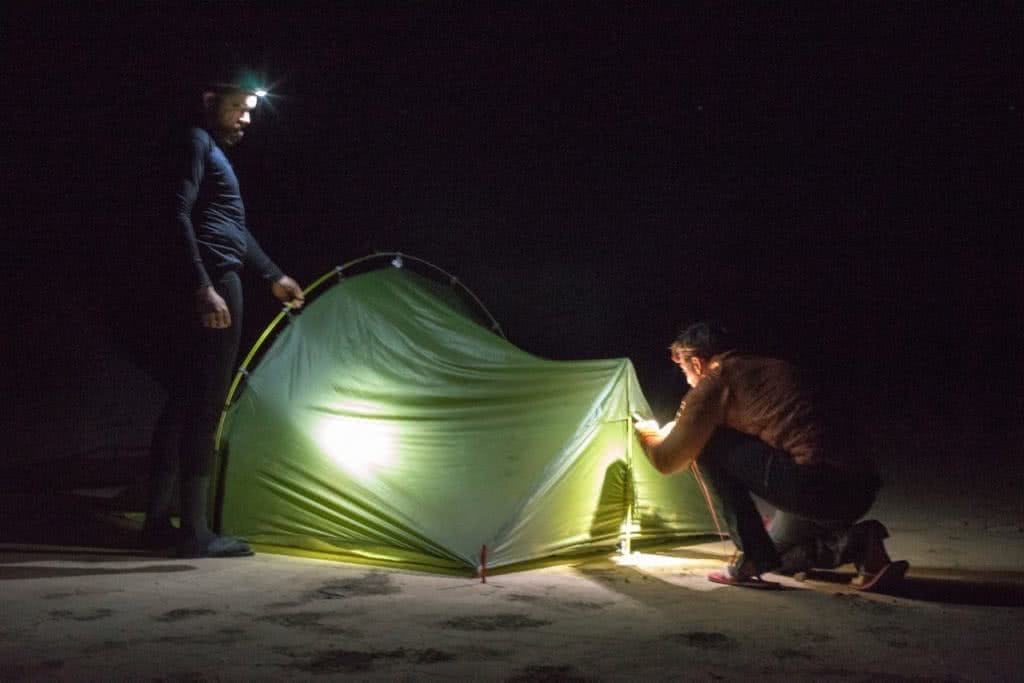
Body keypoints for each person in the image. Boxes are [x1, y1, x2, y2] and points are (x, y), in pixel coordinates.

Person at [139, 77, 305, 558]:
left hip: (215, 276)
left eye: (250, 109)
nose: (246, 118)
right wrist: (203, 286)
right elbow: (175, 211)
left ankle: (157, 523)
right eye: (238, 107)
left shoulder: (208, 147)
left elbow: (230, 224)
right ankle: (195, 531)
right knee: (206, 403)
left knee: (184, 398)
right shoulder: (195, 141)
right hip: (213, 281)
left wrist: (272, 274)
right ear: (209, 101)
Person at [633, 322, 908, 590]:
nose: (687, 378)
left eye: (683, 369)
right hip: (860, 488)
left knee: (709, 444)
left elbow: (668, 461)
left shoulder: (715, 381)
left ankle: (751, 554)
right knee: (775, 558)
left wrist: (646, 435)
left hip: (819, 486)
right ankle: (859, 543)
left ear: (695, 363)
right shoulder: (771, 368)